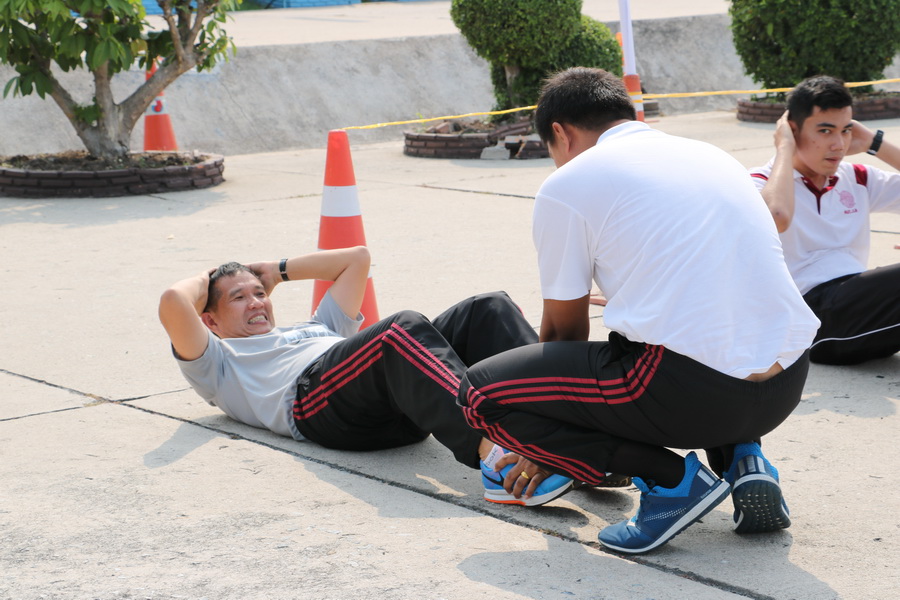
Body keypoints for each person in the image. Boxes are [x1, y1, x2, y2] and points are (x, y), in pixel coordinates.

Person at [456, 67, 821, 554]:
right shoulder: (710, 155)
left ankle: (671, 483)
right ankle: (743, 460)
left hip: (689, 395)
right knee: (698, 331)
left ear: (560, 133)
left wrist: (554, 446)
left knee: (480, 394)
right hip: (785, 385)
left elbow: (564, 331)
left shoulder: (569, 183)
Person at [158, 245, 576, 506]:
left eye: (259, 294)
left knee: (488, 307)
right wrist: (212, 275)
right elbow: (174, 300)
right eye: (239, 298)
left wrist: (276, 270)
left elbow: (356, 258)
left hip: (389, 394)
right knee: (399, 329)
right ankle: (498, 462)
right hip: (317, 406)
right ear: (209, 320)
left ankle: (569, 437)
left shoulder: (317, 326)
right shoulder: (219, 362)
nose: (256, 303)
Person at [751, 75, 900, 365]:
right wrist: (784, 149)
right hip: (812, 319)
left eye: (845, 131)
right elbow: (776, 217)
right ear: (791, 131)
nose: (838, 144)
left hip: (859, 309)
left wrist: (874, 142)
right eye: (825, 130)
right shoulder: (760, 183)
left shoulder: (856, 177)